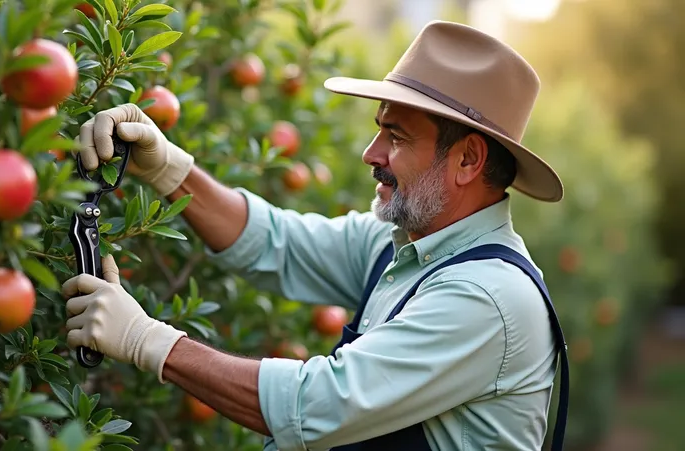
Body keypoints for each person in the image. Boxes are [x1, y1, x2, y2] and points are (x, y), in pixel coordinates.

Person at [63, 20, 569, 451]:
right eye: (379, 131)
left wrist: (146, 340)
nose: (372, 154)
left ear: (468, 160)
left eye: (396, 137)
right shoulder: (404, 246)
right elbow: (274, 242)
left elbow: (316, 404)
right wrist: (169, 167)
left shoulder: (487, 299)